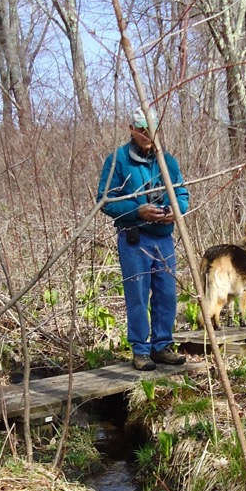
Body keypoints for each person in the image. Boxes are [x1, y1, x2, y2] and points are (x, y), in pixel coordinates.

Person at [96, 108, 189, 371]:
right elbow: (104, 201)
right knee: (137, 295)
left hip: (163, 239)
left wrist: (175, 211)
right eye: (142, 129)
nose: (148, 134)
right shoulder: (118, 160)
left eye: (152, 129)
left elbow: (182, 195)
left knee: (167, 294)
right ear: (132, 129)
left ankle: (162, 347)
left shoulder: (167, 162)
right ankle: (140, 350)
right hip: (134, 240)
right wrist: (137, 211)